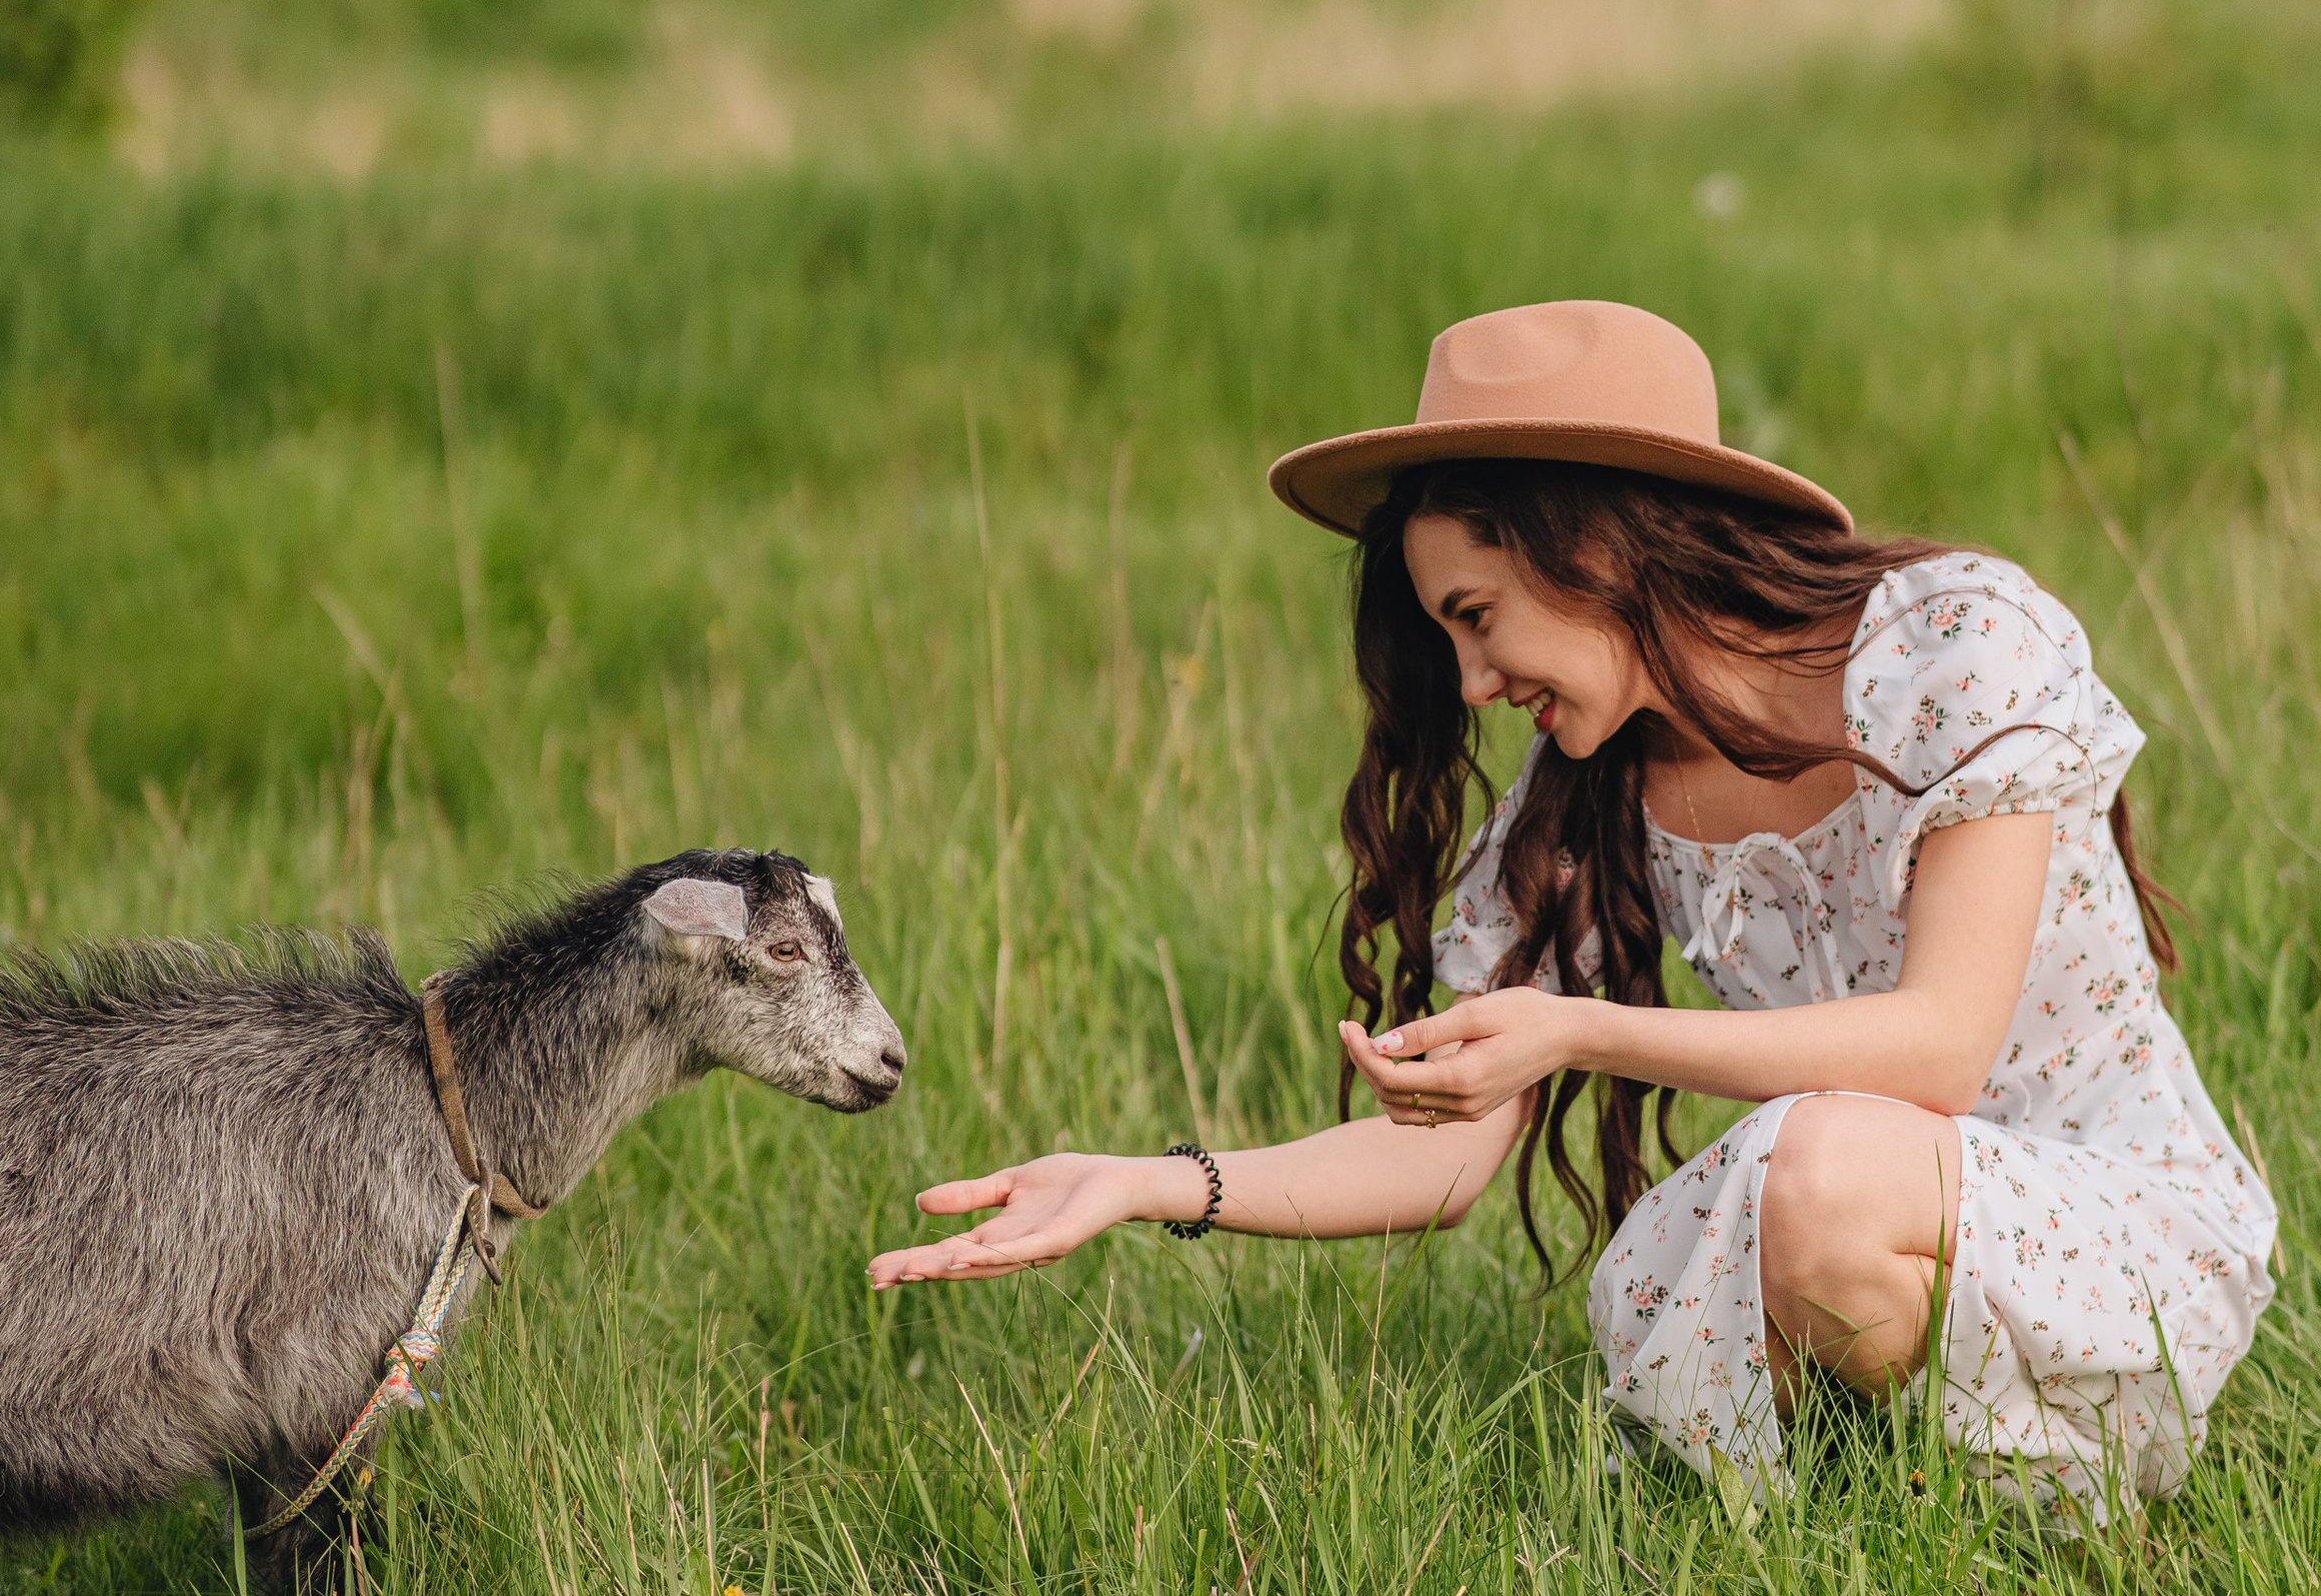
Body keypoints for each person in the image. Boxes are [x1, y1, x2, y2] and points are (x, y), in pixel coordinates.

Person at [866, 300, 2275, 1517]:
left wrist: (1579, 1028)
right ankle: (1901, 1519)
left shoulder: (1954, 643)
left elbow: (1939, 1053)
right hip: (1874, 1216)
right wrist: (1151, 1182)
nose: (1471, 680)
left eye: (1476, 613)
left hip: (2117, 1222)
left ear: (1591, 543)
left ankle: (2040, 1496)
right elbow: (1444, 1155)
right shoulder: (1586, 805)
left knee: (1821, 1173)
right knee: (1814, 1186)